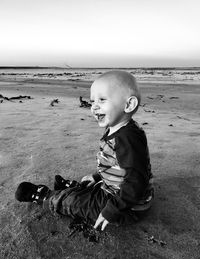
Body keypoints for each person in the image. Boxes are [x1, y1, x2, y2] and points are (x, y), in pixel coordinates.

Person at [15, 70, 154, 233]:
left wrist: (112, 210)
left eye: (102, 100)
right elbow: (117, 165)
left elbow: (136, 181)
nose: (94, 107)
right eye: (92, 101)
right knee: (89, 190)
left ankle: (47, 196)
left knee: (75, 202)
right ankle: (77, 188)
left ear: (128, 105)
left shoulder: (127, 139)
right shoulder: (120, 129)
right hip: (117, 191)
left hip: (127, 208)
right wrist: (97, 176)